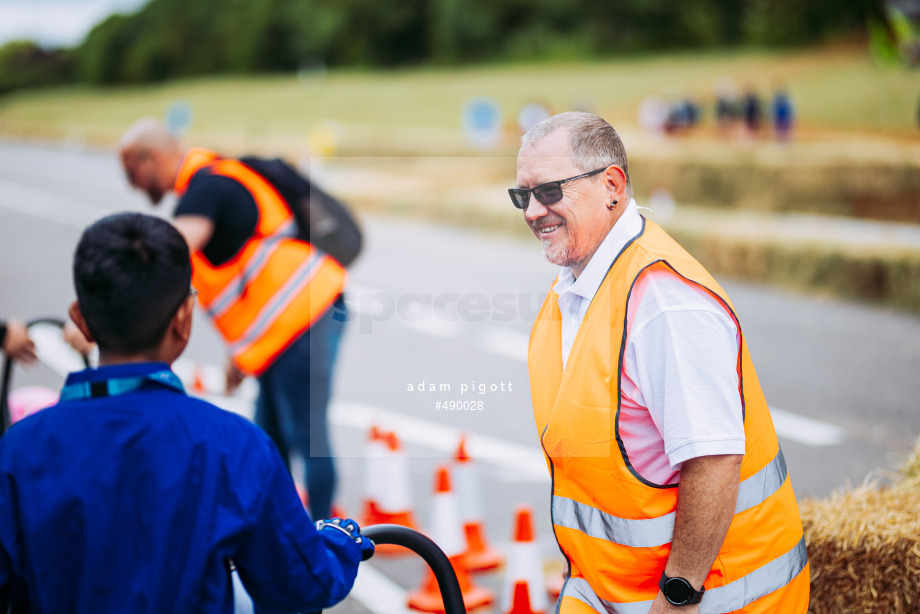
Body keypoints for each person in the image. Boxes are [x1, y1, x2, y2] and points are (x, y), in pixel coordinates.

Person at [510, 112, 809, 613]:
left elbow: (714, 460)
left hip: (714, 601)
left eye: (549, 192)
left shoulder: (664, 300)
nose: (533, 211)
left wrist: (678, 594)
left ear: (612, 185)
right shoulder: (577, 289)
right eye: (522, 196)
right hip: (608, 591)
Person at [0, 212, 372, 612]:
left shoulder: (18, 449)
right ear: (184, 319)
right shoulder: (234, 445)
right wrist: (340, 537)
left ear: (80, 319)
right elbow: (300, 586)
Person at [119, 118, 347, 520]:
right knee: (270, 438)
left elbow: (165, 253)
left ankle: (325, 541)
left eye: (131, 172)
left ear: (150, 158)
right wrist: (239, 353)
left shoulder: (207, 189)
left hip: (305, 316)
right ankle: (286, 536)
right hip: (286, 327)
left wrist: (99, 308)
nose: (132, 184)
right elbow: (242, 282)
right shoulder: (213, 184)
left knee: (305, 436)